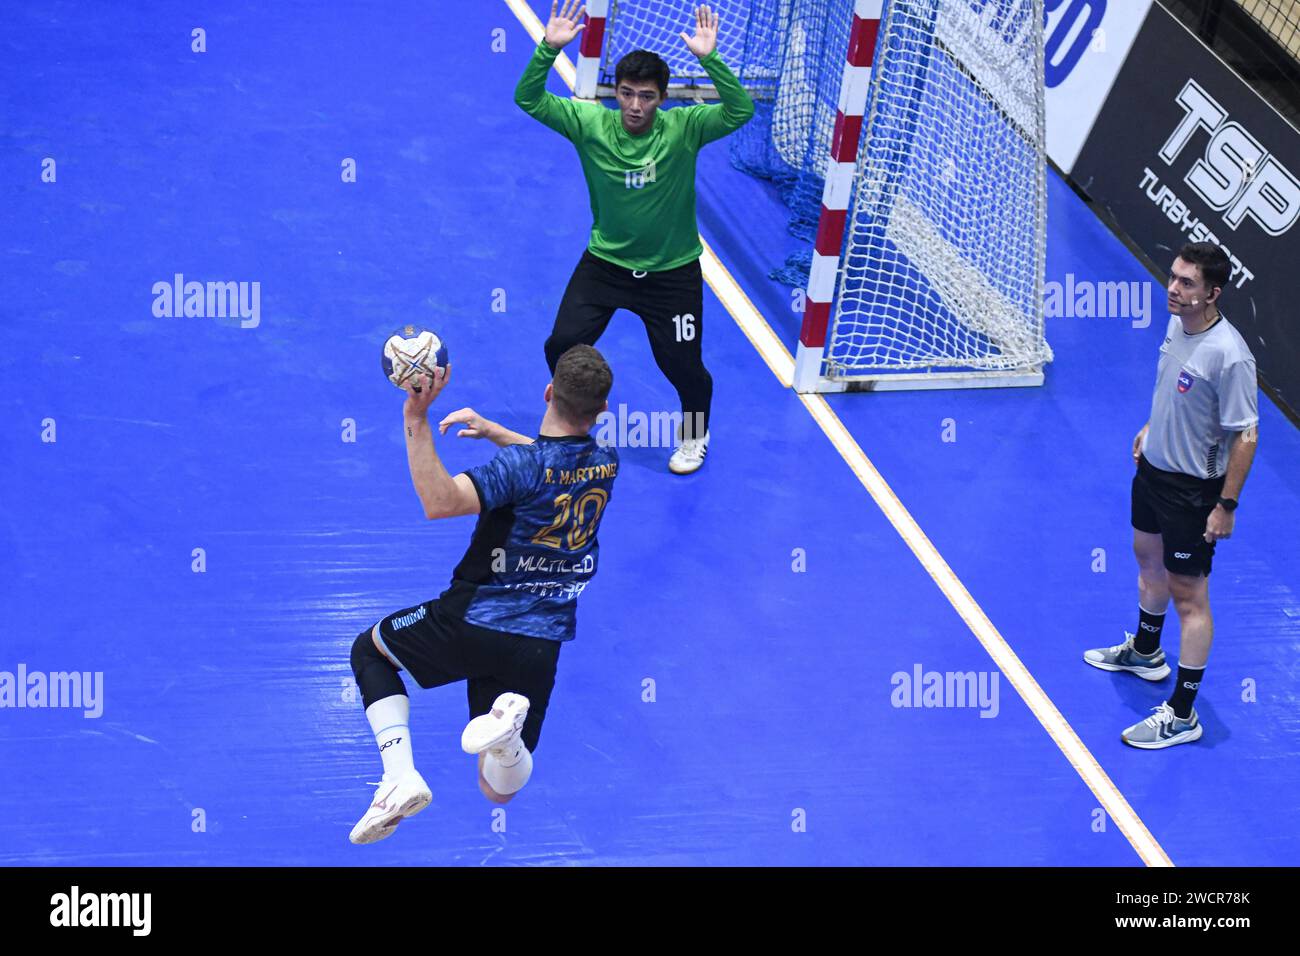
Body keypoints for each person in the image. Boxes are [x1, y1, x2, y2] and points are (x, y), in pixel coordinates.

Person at [348, 344, 617, 843]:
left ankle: (399, 776)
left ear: (548, 392)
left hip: (473, 620)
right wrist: (496, 432)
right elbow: (553, 463)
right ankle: (508, 740)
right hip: (541, 643)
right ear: (601, 410)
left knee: (370, 650)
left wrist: (416, 416)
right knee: (498, 790)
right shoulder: (605, 464)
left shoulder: (518, 467)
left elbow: (439, 501)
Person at [515, 2, 754, 474]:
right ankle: (575, 417)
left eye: (646, 96)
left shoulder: (686, 129)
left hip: (671, 273)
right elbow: (529, 98)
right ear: (616, 92)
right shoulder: (590, 124)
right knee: (559, 344)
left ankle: (694, 436)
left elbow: (740, 110)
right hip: (605, 265)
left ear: (662, 97)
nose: (636, 106)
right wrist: (548, 48)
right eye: (627, 94)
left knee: (683, 367)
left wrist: (710, 60)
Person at [1084, 242, 1259, 749]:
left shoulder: (1229, 355)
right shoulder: (1177, 323)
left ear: (1213, 293)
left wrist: (1225, 506)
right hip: (1153, 473)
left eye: (1187, 283)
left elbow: (1246, 433)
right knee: (1147, 561)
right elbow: (1175, 395)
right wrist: (1150, 428)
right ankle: (1145, 652)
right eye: (1173, 277)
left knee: (1190, 597)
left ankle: (1183, 714)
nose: (1174, 288)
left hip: (1193, 493)